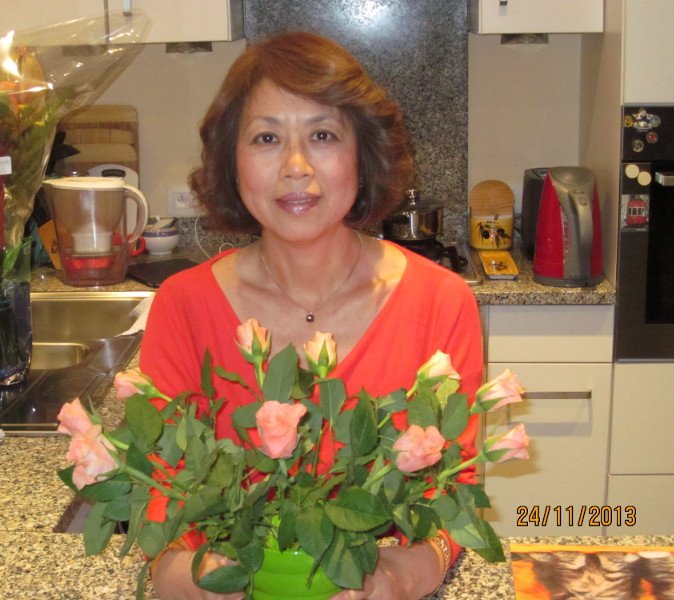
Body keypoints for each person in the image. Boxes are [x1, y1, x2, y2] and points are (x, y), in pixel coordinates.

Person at [140, 30, 483, 600]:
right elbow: (161, 490)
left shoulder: (440, 302)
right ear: (231, 162)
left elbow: (452, 488)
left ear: (362, 157)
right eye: (267, 137)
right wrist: (179, 575)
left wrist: (405, 574)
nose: (296, 167)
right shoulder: (183, 305)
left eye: (323, 135)